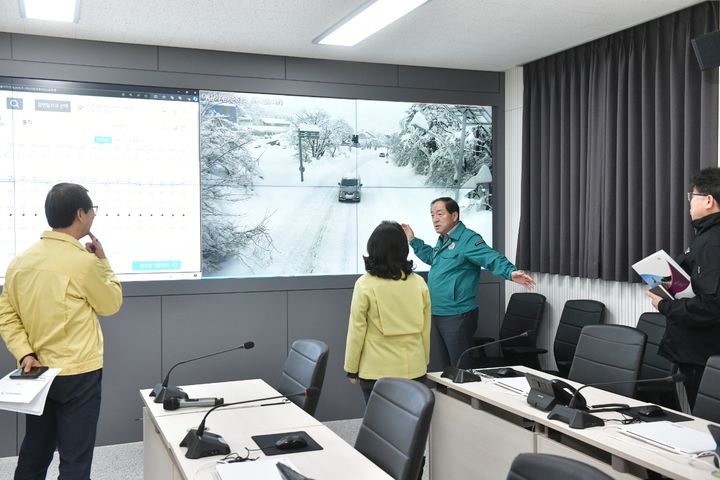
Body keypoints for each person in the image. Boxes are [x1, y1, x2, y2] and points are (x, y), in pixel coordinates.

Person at [0, 183, 123, 480]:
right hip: (79, 374)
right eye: (92, 210)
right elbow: (111, 303)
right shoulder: (84, 263)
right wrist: (103, 261)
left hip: (37, 371)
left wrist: (24, 353)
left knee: (35, 453)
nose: (93, 215)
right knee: (75, 460)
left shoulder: (20, 262)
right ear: (80, 214)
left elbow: (7, 314)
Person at [402, 197, 534, 370]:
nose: (435, 219)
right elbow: (433, 258)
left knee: (461, 367)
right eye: (432, 215)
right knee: (447, 368)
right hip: (439, 312)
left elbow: (490, 257)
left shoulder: (468, 239)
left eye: (440, 214)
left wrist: (509, 272)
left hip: (457, 314)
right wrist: (413, 240)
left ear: (454, 215)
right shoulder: (444, 239)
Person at [646, 167, 720, 409]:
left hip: (703, 352)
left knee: (704, 421)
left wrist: (664, 304)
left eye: (692, 196)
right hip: (696, 349)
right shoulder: (705, 235)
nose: (689, 203)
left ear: (709, 200)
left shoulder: (713, 243)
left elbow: (710, 305)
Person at [344, 221, 431, 403]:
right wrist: (423, 362)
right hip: (414, 370)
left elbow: (356, 331)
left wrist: (351, 368)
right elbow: (425, 329)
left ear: (373, 248)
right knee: (410, 427)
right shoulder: (419, 283)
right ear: (403, 249)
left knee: (379, 427)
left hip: (377, 372)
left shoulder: (365, 284)